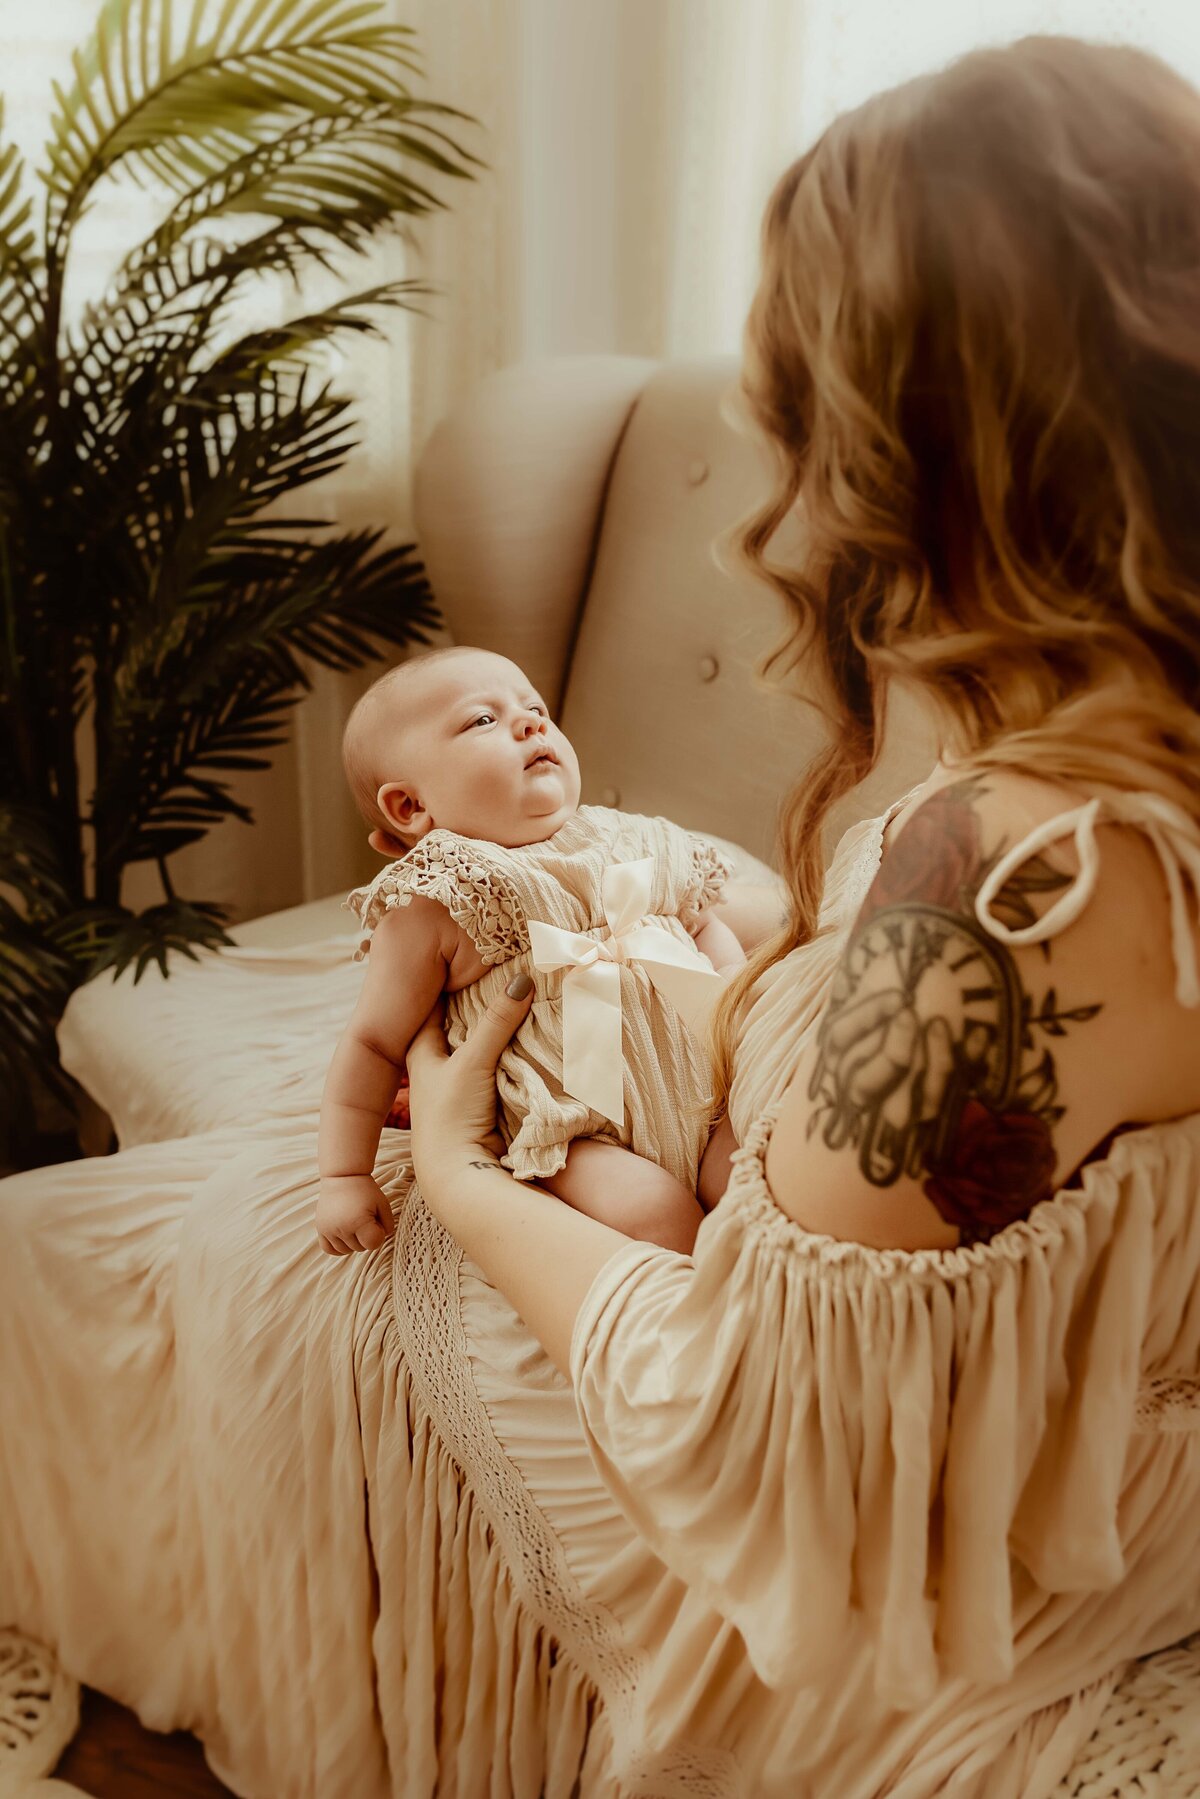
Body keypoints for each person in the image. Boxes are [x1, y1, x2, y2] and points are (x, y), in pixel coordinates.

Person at [394, 32, 1200, 1797]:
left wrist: (460, 1173)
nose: (790, 488)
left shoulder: (1024, 872)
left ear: (907, 435)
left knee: (359, 1261)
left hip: (970, 1572)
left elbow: (757, 1432)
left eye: (809, 402)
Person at [316, 644, 747, 1259]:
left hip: (706, 1095)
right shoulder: (443, 899)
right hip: (578, 1134)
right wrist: (343, 1176)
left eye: (535, 708)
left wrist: (741, 1004)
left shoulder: (634, 837)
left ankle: (784, 1319)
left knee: (757, 1187)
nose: (531, 722)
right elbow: (374, 1042)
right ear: (410, 806)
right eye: (482, 720)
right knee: (658, 1218)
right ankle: (683, 1336)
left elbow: (706, 932)